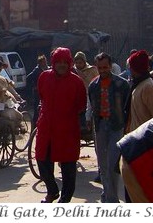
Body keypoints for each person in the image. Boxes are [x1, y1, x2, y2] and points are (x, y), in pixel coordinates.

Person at [35, 47, 87, 203]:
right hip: (46, 128)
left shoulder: (76, 82)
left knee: (68, 167)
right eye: (59, 62)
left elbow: (81, 105)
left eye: (65, 62)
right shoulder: (44, 77)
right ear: (54, 62)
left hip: (67, 130)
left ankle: (64, 200)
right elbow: (41, 96)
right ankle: (52, 191)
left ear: (69, 63)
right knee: (42, 160)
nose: (62, 65)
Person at [87, 52, 130, 203]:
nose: (103, 70)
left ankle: (111, 200)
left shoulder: (121, 84)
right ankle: (108, 195)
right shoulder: (93, 85)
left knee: (113, 163)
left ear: (110, 66)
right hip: (100, 126)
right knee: (103, 164)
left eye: (105, 67)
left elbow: (127, 106)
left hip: (116, 125)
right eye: (100, 68)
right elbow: (91, 106)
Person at [124, 50, 153, 134]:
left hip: (145, 137)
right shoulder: (137, 85)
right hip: (136, 135)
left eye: (131, 67)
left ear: (135, 68)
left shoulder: (148, 87)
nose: (129, 70)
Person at [26, 54, 48, 126]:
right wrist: (34, 86)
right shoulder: (36, 70)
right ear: (40, 62)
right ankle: (35, 123)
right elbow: (28, 78)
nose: (45, 63)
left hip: (44, 91)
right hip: (38, 92)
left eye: (45, 61)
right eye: (44, 61)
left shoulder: (46, 69)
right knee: (37, 107)